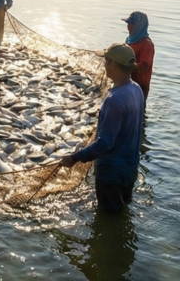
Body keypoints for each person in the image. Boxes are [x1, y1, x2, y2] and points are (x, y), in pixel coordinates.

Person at [61, 43, 145, 214]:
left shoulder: (115, 100)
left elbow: (104, 143)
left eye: (106, 61)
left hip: (111, 175)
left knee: (108, 218)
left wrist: (75, 158)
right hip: (130, 170)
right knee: (123, 213)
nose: (104, 65)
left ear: (113, 65)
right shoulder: (136, 90)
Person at [123, 11, 155, 99]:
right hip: (127, 80)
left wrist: (127, 66)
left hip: (140, 85)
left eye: (130, 23)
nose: (127, 26)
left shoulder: (146, 44)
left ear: (137, 26)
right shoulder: (130, 40)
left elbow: (144, 65)